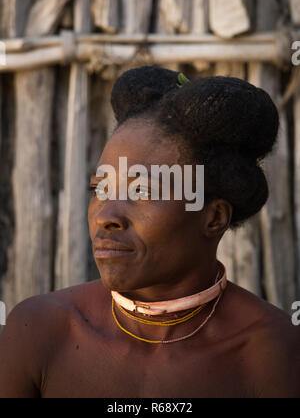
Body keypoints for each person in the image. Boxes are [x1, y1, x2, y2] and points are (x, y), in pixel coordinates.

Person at [0, 66, 299, 398]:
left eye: (142, 192)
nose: (106, 217)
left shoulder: (272, 352)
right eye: (99, 189)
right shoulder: (39, 331)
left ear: (213, 218)